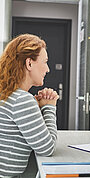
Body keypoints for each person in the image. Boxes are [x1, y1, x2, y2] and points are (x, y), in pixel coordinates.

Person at [0, 34, 59, 177]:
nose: (47, 69)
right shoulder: (22, 100)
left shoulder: (8, 94)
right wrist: (49, 107)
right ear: (29, 63)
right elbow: (47, 148)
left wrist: (37, 108)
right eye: (45, 62)